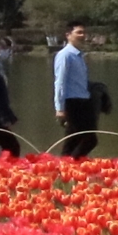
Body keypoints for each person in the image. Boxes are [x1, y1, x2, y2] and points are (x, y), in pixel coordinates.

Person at [50, 22, 101, 159]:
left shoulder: (80, 56)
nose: (82, 35)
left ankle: (68, 166)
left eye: (84, 32)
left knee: (81, 139)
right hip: (72, 102)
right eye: (78, 32)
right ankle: (69, 167)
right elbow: (60, 82)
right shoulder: (65, 55)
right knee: (82, 139)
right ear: (68, 35)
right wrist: (59, 108)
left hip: (83, 101)